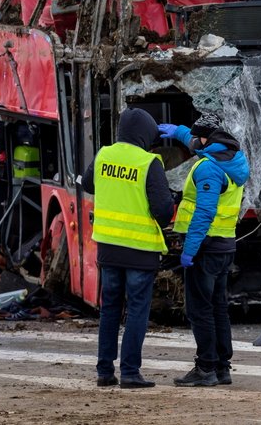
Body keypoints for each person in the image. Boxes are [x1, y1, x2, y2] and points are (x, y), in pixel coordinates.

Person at [81, 107, 174, 389]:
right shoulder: (148, 162)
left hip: (108, 249)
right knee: (136, 311)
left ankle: (104, 371)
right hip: (139, 251)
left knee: (109, 308)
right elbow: (163, 209)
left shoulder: (103, 155)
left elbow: (88, 184)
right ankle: (131, 373)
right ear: (145, 135)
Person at [157, 113, 250, 387]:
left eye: (195, 138)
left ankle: (205, 367)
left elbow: (205, 211)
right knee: (218, 307)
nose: (191, 143)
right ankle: (222, 367)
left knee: (200, 310)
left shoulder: (209, 168)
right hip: (224, 245)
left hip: (205, 247)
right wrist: (179, 131)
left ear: (206, 140)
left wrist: (190, 249)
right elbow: (198, 138)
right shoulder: (231, 158)